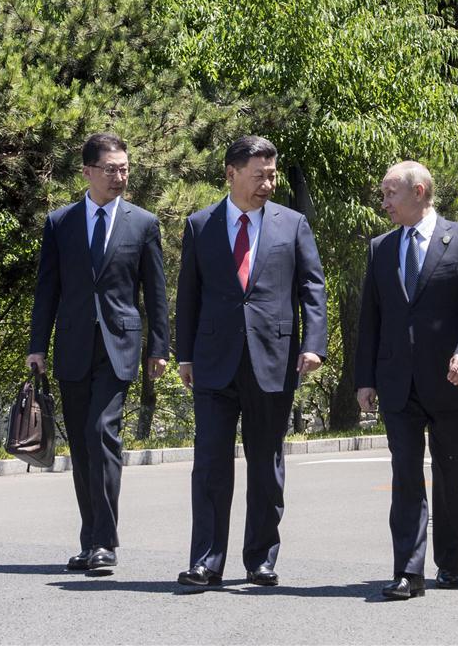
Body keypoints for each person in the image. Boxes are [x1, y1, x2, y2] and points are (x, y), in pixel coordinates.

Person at [175, 135, 327, 588]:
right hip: (214, 362)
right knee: (210, 465)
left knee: (266, 464)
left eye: (272, 174)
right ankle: (205, 560)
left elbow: (312, 289)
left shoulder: (292, 223)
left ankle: (260, 558)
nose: (268, 183)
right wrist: (184, 354)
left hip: (274, 360)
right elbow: (190, 294)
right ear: (231, 173)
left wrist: (314, 344)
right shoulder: (200, 224)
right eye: (259, 174)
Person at [27, 132, 170, 571]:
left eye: (125, 168)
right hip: (71, 346)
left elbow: (155, 291)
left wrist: (159, 347)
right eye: (111, 169)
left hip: (119, 345)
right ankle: (91, 540)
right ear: (87, 171)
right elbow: (46, 288)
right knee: (84, 445)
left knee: (101, 433)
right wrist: (37, 347)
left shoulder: (142, 223)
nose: (119, 176)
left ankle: (105, 542)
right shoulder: (60, 222)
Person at [355, 161, 458, 599]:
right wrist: (365, 379)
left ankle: (449, 563)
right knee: (405, 477)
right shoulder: (380, 248)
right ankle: (408, 572)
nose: (384, 203)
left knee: (451, 478)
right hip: (398, 384)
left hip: (453, 383)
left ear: (418, 192)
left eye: (390, 194)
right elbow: (371, 319)